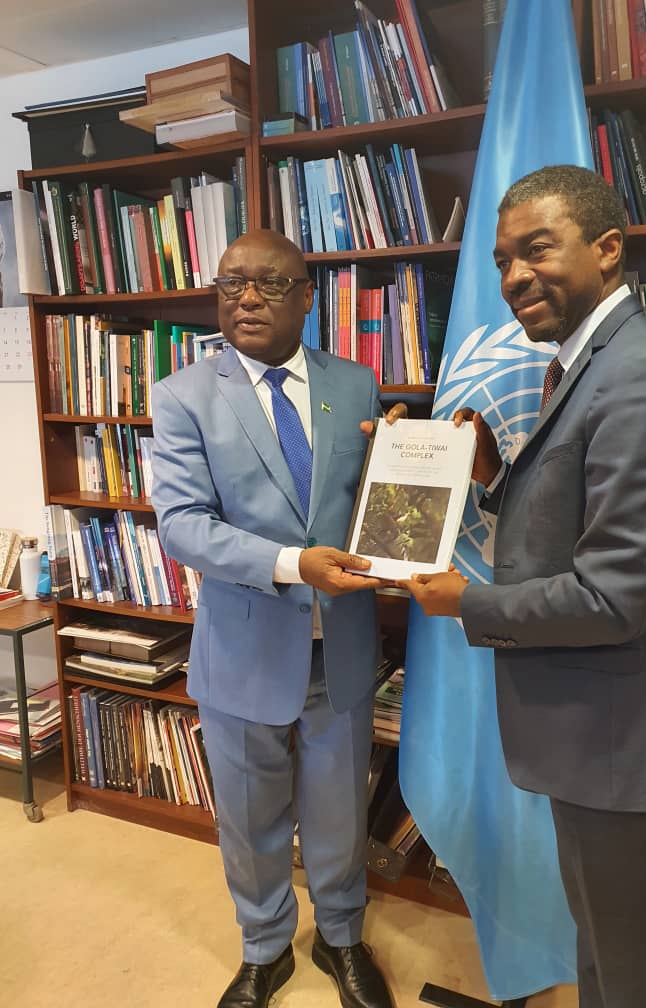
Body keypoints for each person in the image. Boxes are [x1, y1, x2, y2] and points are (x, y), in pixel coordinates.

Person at [399, 164, 646, 1008]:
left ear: (608, 249)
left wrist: (461, 603)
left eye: (536, 250)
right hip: (597, 724)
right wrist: (492, 471)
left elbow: (613, 596)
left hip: (620, 732)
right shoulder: (586, 361)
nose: (512, 278)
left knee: (634, 964)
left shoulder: (640, 375)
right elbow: (576, 505)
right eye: (504, 259)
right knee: (605, 943)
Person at [151, 228, 402, 1008]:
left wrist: (407, 464)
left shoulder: (355, 384)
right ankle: (264, 946)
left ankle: (341, 937)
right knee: (252, 818)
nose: (246, 298)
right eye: (230, 285)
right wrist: (293, 564)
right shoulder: (184, 394)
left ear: (307, 293)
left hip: (344, 647)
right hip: (246, 649)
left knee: (337, 810)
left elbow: (375, 508)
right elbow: (182, 525)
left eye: (266, 283)